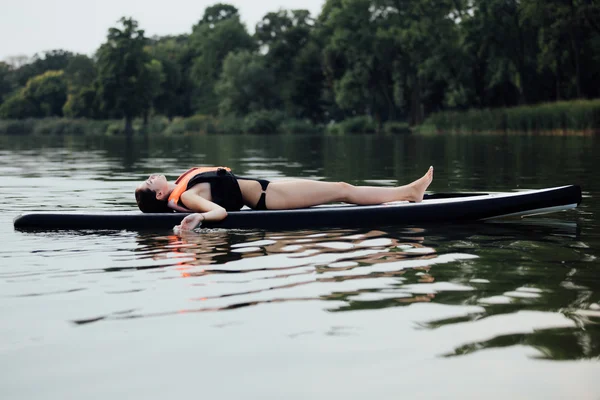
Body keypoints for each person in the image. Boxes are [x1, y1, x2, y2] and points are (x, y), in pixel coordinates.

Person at [135, 165, 434, 231]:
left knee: (342, 189)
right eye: (150, 182)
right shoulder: (186, 195)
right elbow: (219, 213)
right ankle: (411, 192)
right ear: (160, 194)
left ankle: (407, 192)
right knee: (342, 189)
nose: (152, 175)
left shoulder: (181, 189)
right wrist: (199, 216)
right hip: (269, 198)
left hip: (269, 190)